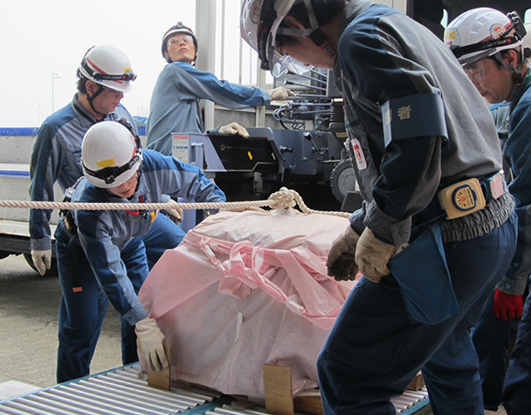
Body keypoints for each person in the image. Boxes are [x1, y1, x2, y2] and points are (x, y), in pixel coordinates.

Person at [240, 0, 517, 414]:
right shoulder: (391, 23)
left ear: (299, 24)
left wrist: (384, 228)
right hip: (488, 225)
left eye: (285, 49)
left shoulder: (360, 41)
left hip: (447, 241)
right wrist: (359, 226)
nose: (295, 60)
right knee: (447, 355)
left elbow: (417, 136)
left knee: (348, 377)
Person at [54, 119, 226, 382]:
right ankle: (67, 392)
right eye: (115, 185)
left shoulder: (154, 165)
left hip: (131, 239)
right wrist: (143, 324)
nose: (124, 187)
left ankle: (139, 378)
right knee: (82, 326)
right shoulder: (90, 208)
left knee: (143, 304)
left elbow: (198, 184)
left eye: (129, 178)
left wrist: (220, 219)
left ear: (137, 161)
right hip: (82, 253)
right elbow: (110, 272)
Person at [29, 46, 184, 271]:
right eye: (115, 91)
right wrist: (39, 240)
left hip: (134, 215)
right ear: (91, 87)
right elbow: (40, 188)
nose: (121, 97)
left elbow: (138, 165)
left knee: (178, 246)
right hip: (94, 224)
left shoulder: (122, 115)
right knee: (92, 301)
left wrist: (159, 197)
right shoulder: (55, 130)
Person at [445, 8, 530, 412]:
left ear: (510, 59)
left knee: (523, 379)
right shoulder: (518, 101)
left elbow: (527, 199)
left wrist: (510, 282)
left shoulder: (528, 108)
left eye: (476, 70)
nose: (471, 83)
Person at [146, 21, 294, 156]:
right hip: (169, 163)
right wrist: (267, 94)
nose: (182, 43)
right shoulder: (174, 72)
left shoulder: (183, 91)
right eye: (174, 41)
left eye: (187, 40)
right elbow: (220, 89)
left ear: (195, 50)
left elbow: (190, 135)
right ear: (166, 53)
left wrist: (218, 132)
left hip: (171, 162)